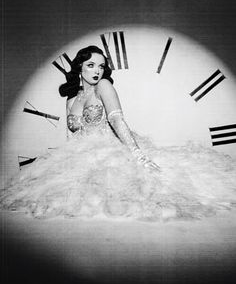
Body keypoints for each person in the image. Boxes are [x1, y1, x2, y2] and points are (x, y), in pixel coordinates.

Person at [1, 46, 236, 221]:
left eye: (101, 66)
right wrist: (64, 166)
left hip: (110, 151)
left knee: (131, 191)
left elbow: (116, 119)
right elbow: (71, 139)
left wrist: (138, 155)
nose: (97, 70)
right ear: (79, 67)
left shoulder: (104, 86)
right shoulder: (72, 99)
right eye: (91, 65)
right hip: (79, 157)